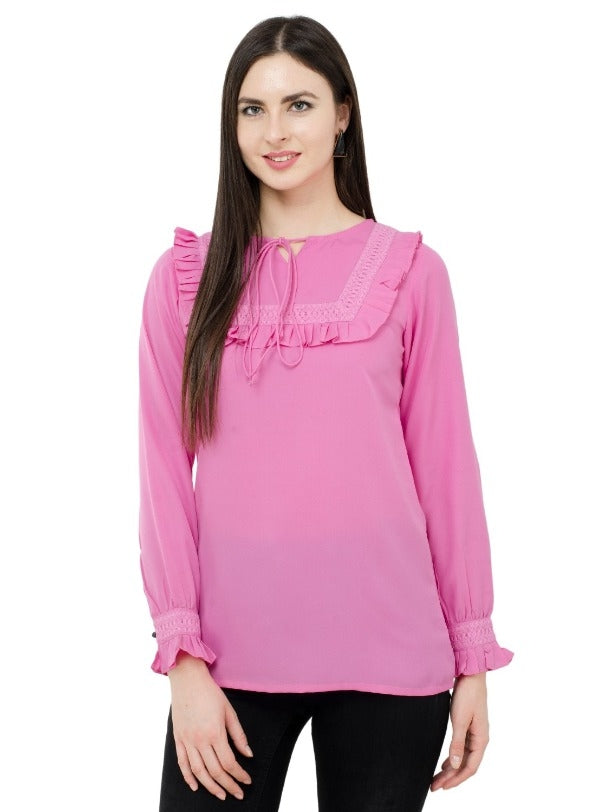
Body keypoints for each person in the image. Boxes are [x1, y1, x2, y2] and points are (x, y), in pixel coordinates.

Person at [138, 15, 514, 812]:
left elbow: (447, 471)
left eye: (299, 105)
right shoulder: (184, 279)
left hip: (391, 655)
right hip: (228, 662)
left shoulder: (413, 274)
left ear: (343, 114)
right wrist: (183, 659)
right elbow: (161, 474)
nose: (275, 132)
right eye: (253, 109)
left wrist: (472, 657)